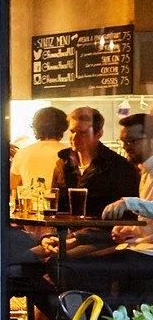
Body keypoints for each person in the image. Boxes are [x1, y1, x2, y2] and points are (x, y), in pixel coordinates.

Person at [48, 106, 138, 254]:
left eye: (82, 132)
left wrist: (77, 237)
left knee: (57, 260)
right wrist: (48, 236)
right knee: (30, 257)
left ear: (99, 133)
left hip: (102, 239)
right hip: (66, 235)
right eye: (72, 131)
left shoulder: (117, 166)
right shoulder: (63, 164)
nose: (74, 138)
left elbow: (126, 219)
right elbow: (54, 209)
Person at [11, 105, 69, 194]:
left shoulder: (22, 153)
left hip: (30, 201)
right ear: (63, 128)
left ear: (35, 127)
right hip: (59, 202)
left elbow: (12, 185)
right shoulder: (69, 153)